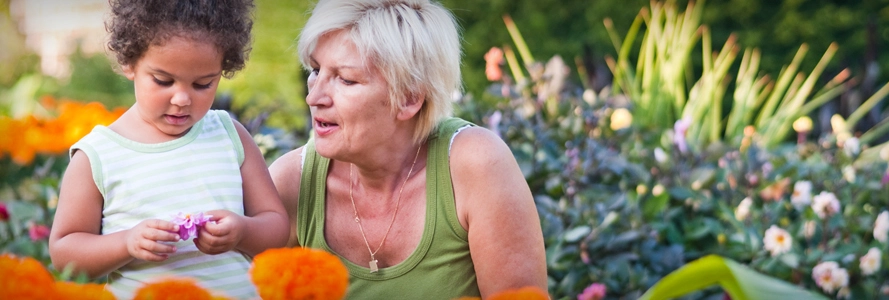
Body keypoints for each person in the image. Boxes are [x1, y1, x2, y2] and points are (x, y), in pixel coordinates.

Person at [268, 0, 547, 299]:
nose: (314, 98)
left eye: (346, 79)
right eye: (315, 70)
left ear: (409, 98)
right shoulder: (291, 182)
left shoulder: (477, 165)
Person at [48, 0, 289, 298]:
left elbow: (276, 228)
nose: (182, 99)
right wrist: (126, 243)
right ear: (129, 62)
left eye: (203, 84)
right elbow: (65, 253)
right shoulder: (97, 156)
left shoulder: (230, 136)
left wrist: (243, 231)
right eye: (163, 81)